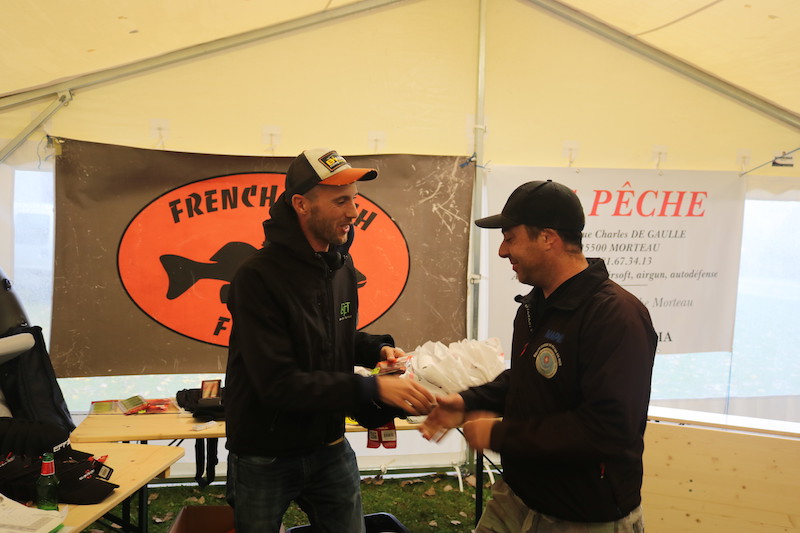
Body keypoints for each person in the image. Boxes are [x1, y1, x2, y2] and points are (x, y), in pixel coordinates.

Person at [421, 180, 657, 532]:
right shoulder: (535, 305)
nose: (502, 251)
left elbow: (607, 429)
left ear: (548, 238)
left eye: (510, 238)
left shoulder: (615, 316)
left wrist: (499, 435)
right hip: (517, 497)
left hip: (583, 516)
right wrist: (467, 401)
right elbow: (528, 379)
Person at [224, 148, 436, 533]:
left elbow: (329, 336)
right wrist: (373, 387)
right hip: (264, 453)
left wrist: (375, 349)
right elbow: (278, 383)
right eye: (340, 201)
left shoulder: (340, 266)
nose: (353, 212)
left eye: (354, 200)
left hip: (329, 446)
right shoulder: (257, 277)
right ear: (301, 204)